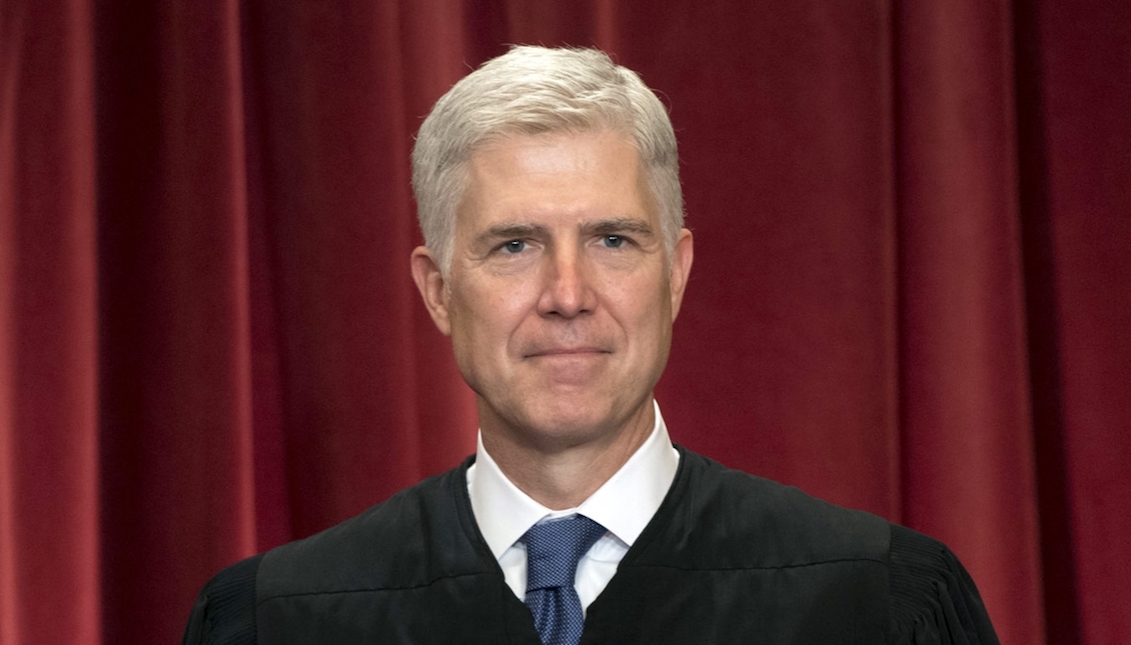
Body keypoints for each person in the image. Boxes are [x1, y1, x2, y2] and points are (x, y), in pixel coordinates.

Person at [182, 46, 999, 645]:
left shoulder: (879, 606)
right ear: (437, 290)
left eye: (611, 239)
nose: (567, 295)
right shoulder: (276, 620)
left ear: (674, 273)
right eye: (513, 246)